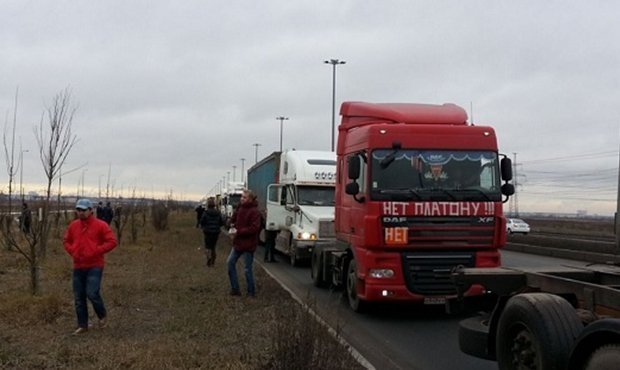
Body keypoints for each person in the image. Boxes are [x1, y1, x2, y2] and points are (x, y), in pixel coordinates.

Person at [63, 199, 118, 335]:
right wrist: (73, 251)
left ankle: (102, 315)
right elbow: (66, 240)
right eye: (78, 210)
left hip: (95, 265)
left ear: (90, 210)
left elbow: (112, 241)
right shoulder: (73, 226)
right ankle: (83, 325)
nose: (80, 212)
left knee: (92, 293)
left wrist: (96, 250)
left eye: (83, 210)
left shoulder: (101, 225)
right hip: (78, 265)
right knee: (78, 297)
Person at [227, 190, 261, 297]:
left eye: (244, 197)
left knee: (247, 269)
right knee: (230, 263)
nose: (242, 199)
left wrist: (239, 231)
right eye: (242, 197)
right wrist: (231, 223)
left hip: (248, 244)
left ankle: (251, 292)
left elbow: (254, 228)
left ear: (250, 199)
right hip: (238, 243)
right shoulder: (240, 208)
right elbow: (234, 220)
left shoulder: (254, 211)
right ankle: (235, 289)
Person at [199, 198, 224, 266]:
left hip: (207, 232)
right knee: (213, 247)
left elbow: (202, 221)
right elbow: (221, 222)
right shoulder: (218, 213)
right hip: (216, 232)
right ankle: (213, 261)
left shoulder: (205, 213)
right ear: (214, 205)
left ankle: (208, 259)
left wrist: (204, 226)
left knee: (208, 246)